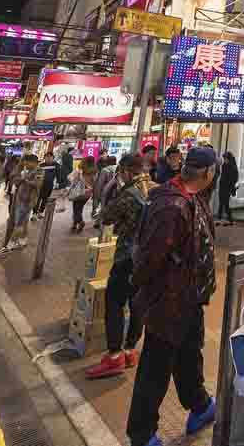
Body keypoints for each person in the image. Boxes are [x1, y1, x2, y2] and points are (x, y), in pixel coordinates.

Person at [126, 146, 218, 446]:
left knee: (190, 354)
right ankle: (141, 435)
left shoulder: (193, 200)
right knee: (156, 366)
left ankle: (200, 405)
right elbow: (151, 256)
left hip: (189, 298)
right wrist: (143, 292)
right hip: (168, 301)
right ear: (207, 173)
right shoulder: (172, 206)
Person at [86, 154, 150, 379]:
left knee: (114, 302)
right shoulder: (150, 188)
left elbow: (106, 217)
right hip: (145, 257)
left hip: (127, 256)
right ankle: (131, 349)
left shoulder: (129, 193)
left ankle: (114, 355)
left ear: (124, 170)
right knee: (137, 303)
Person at [0, 154, 41, 254]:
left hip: (28, 200)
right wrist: (20, 177)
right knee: (21, 221)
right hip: (18, 198)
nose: (25, 164)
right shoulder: (24, 169)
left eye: (26, 162)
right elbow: (15, 179)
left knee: (19, 223)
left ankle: (11, 244)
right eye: (24, 162)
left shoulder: (39, 171)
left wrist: (25, 180)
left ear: (32, 162)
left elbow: (38, 184)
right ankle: (22, 240)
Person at [68, 158, 95, 233]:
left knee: (76, 208)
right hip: (87, 193)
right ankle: (75, 223)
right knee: (80, 208)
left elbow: (71, 179)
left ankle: (79, 222)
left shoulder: (80, 170)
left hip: (78, 192)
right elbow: (94, 182)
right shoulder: (94, 171)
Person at [34, 150, 59, 219]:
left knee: (45, 200)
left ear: (53, 158)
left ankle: (41, 212)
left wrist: (57, 184)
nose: (48, 158)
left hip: (49, 186)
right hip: (39, 185)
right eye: (47, 157)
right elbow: (36, 175)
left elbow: (58, 175)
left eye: (50, 157)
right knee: (37, 200)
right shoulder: (41, 165)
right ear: (44, 158)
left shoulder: (56, 165)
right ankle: (34, 213)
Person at [216, 150, 238, 225]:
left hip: (227, 188)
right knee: (222, 204)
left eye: (225, 159)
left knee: (225, 204)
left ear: (228, 159)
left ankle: (230, 220)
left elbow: (234, 179)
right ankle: (220, 219)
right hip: (222, 187)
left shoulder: (232, 167)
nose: (224, 160)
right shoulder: (225, 166)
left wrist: (231, 188)